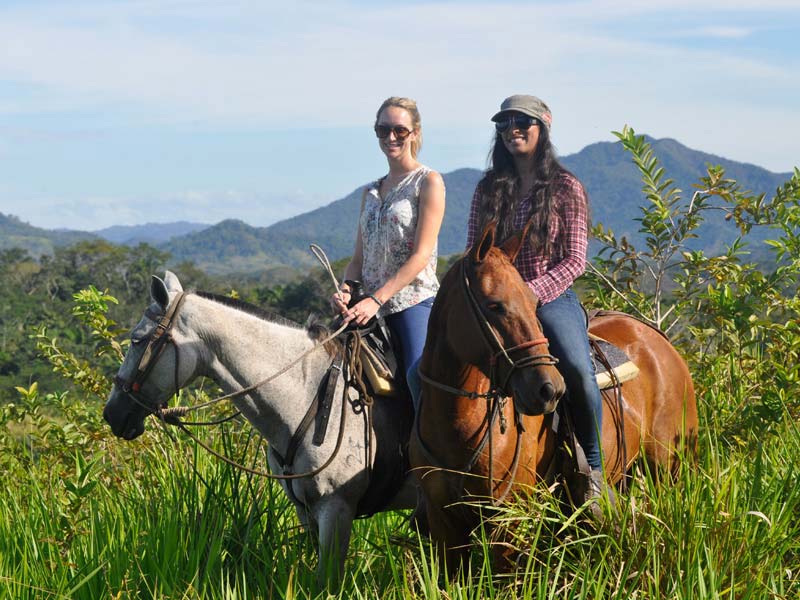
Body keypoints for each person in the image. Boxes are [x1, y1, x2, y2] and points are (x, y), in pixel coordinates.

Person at [466, 94, 610, 512]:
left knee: (577, 369)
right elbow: (476, 251)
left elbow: (576, 259)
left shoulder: (566, 188)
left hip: (549, 298)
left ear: (542, 127)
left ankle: (593, 471)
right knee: (441, 367)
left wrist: (533, 292)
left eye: (522, 122)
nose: (513, 130)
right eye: (505, 123)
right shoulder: (487, 188)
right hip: (497, 303)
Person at [331, 96, 445, 410]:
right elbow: (357, 260)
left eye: (399, 130)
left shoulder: (428, 182)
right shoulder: (370, 190)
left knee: (417, 378)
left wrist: (377, 298)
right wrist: (346, 290)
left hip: (412, 301)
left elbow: (421, 256)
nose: (390, 137)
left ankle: (429, 454)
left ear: (416, 132)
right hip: (364, 304)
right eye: (383, 130)